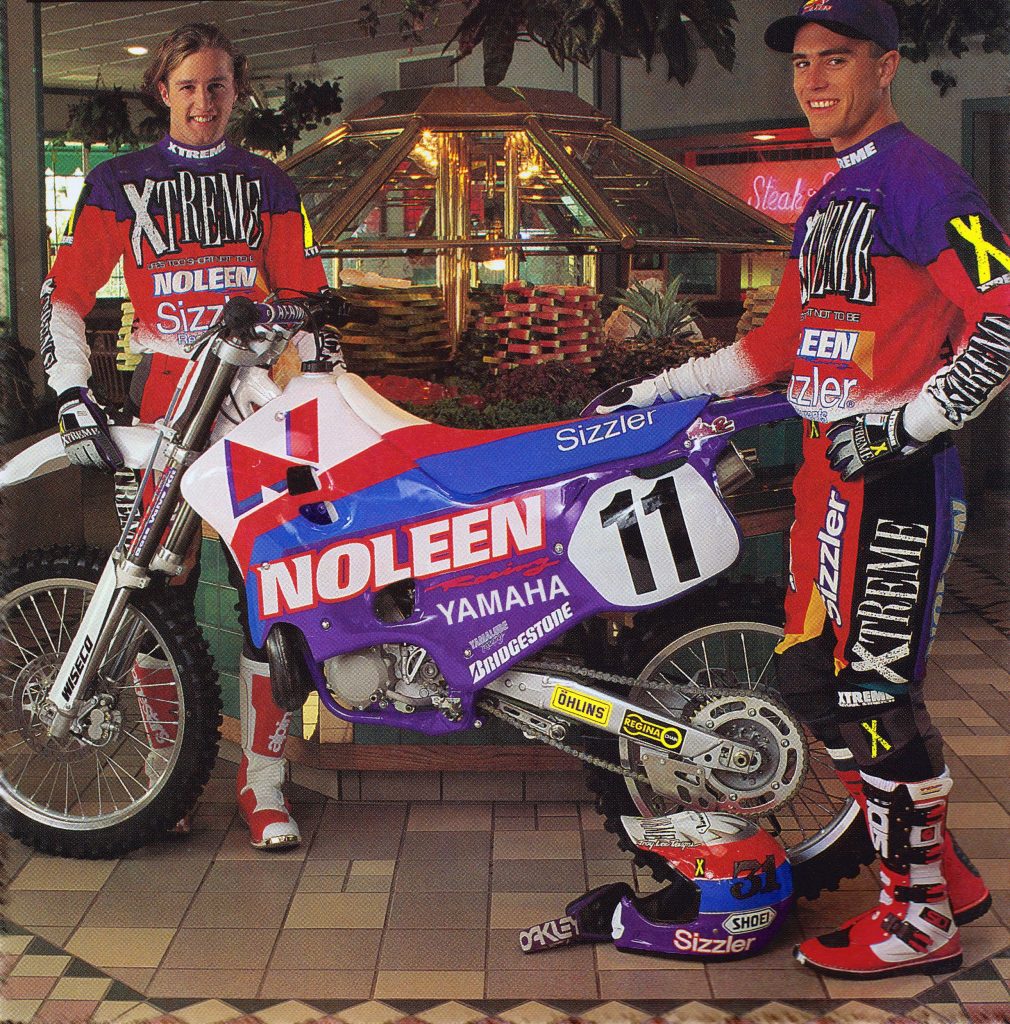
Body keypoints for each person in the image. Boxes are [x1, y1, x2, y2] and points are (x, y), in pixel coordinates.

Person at [598, 0, 1010, 980]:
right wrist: (657, 391)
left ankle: (918, 919)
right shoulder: (829, 197)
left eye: (836, 59)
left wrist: (910, 424)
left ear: (885, 67)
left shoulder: (922, 179)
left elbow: (1002, 318)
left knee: (873, 697)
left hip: (894, 483)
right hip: (825, 480)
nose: (814, 80)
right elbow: (778, 344)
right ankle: (942, 876)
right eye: (801, 64)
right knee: (810, 683)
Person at [41, 22, 330, 850]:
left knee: (271, 589)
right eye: (190, 86)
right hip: (163, 399)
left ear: (237, 91)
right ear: (163, 90)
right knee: (151, 586)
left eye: (218, 86)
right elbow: (65, 294)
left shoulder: (269, 183)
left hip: (254, 403)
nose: (205, 101)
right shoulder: (117, 181)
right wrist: (70, 389)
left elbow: (308, 297)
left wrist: (321, 385)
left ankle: (263, 786)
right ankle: (166, 781)